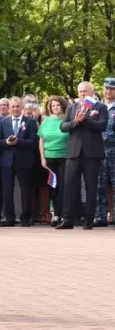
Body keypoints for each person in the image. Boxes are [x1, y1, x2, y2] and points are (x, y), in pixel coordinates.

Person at [57, 81, 107, 230]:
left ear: (92, 92)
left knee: (91, 187)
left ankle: (89, 219)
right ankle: (68, 219)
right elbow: (63, 127)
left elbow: (102, 125)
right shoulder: (72, 107)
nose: (83, 94)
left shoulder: (100, 107)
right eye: (80, 92)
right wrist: (75, 122)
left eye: (85, 91)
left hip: (92, 153)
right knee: (69, 185)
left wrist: (84, 120)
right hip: (73, 152)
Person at [0, 97, 39, 227]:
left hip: (24, 161)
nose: (15, 109)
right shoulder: (3, 122)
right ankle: (9, 218)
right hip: (7, 162)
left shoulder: (30, 122)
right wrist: (6, 142)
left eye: (17, 106)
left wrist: (19, 142)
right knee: (7, 190)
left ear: (22, 108)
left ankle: (25, 218)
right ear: (9, 108)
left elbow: (34, 142)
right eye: (13, 107)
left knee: (25, 190)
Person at [38, 95, 69, 226]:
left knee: (62, 186)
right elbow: (41, 140)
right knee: (53, 187)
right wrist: (42, 158)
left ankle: (62, 214)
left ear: (62, 106)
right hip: (49, 158)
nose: (55, 108)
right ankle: (56, 214)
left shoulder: (67, 120)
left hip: (64, 157)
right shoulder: (46, 122)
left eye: (57, 105)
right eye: (52, 106)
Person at [96, 77, 115, 226]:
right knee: (100, 184)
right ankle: (101, 216)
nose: (109, 91)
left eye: (112, 89)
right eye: (107, 88)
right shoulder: (97, 106)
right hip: (98, 151)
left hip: (113, 149)